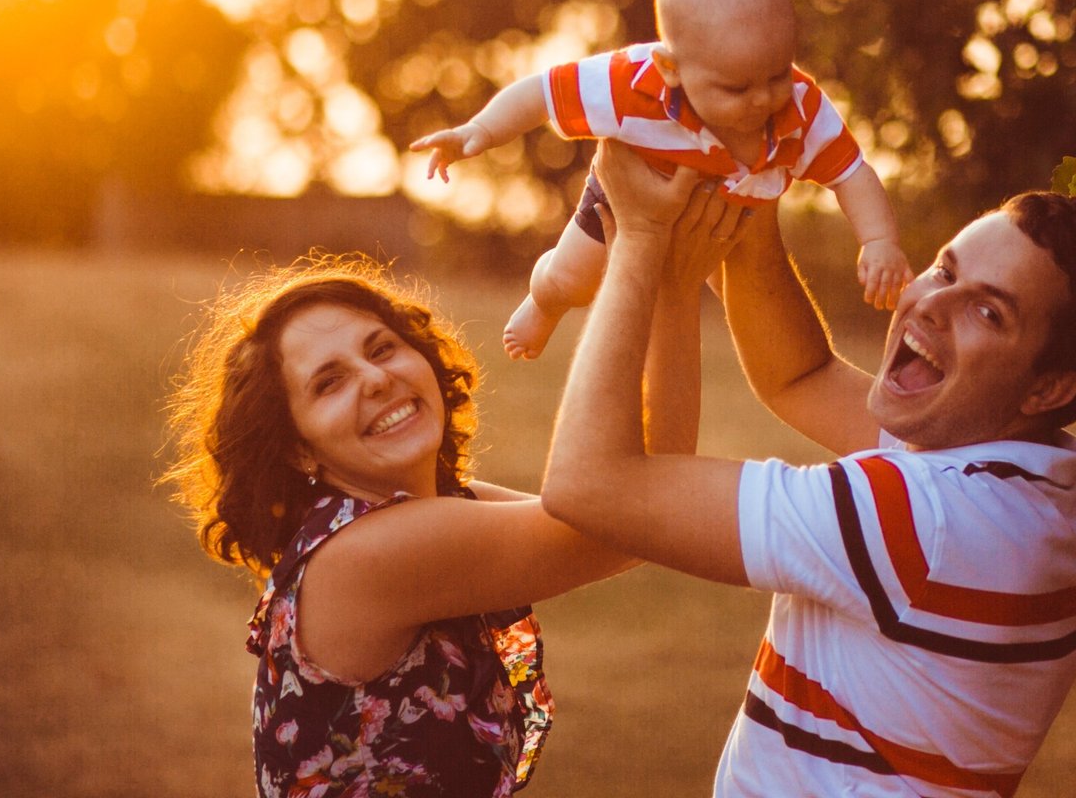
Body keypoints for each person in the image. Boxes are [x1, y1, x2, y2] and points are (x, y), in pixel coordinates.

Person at [541, 142, 1076, 796]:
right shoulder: (1042, 482)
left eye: (989, 312)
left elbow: (588, 485)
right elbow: (799, 376)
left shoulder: (923, 521)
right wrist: (750, 195)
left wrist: (639, 239)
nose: (931, 305)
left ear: (1049, 388)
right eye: (944, 271)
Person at [162, 227, 736, 798]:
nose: (376, 378)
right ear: (296, 448)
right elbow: (631, 519)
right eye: (329, 383)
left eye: (382, 348)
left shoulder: (434, 509)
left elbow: (638, 517)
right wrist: (643, 244)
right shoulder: (368, 553)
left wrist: (672, 279)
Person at [408, 0, 912, 359]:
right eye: (736, 88)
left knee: (736, 314)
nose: (762, 99)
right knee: (572, 281)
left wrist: (878, 241)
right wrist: (480, 131)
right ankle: (544, 302)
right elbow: (542, 93)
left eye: (777, 74)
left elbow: (851, 173)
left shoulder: (799, 106)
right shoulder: (632, 83)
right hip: (624, 202)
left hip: (724, 219)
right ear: (671, 68)